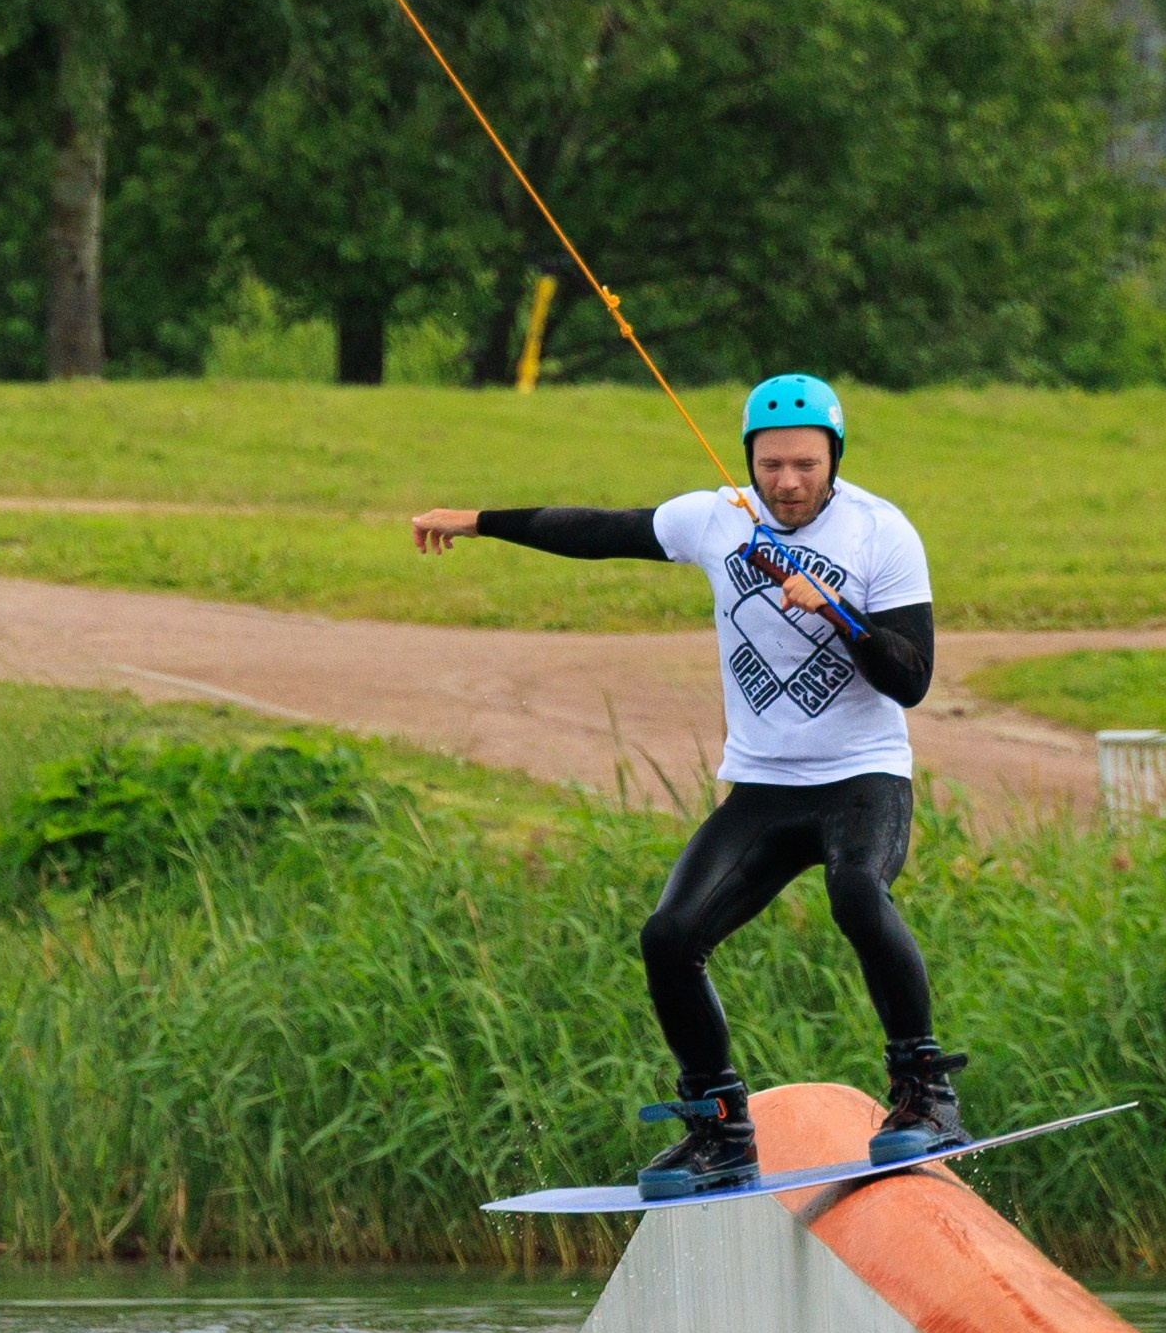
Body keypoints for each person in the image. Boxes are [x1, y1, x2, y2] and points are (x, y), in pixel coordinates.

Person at [410, 373, 968, 1199]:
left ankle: (926, 1094)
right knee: (668, 936)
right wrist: (478, 521)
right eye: (770, 465)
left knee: (856, 892)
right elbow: (600, 530)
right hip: (763, 787)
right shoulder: (717, 518)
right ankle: (719, 1128)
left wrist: (837, 614)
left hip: (861, 777)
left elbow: (910, 679)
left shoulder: (881, 533)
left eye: (805, 465)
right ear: (748, 460)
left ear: (834, 459)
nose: (787, 482)